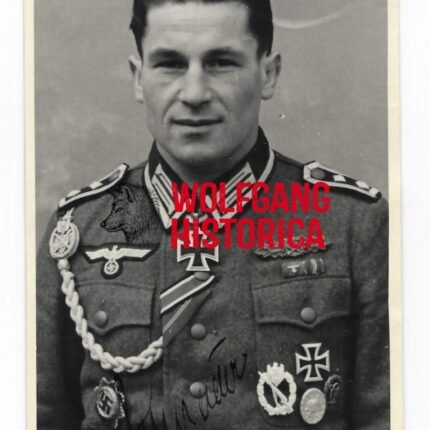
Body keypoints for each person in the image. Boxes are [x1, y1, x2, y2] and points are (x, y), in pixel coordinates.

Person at [37, 0, 389, 429]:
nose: (194, 94)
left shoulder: (353, 225)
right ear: (138, 77)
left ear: (268, 73)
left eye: (221, 63)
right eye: (169, 64)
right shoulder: (79, 231)